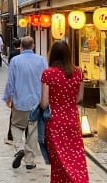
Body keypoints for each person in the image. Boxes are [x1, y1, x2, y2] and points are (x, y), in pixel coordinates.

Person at [40, 40, 89, 182]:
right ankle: (80, 179)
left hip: (55, 122)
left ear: (52, 55)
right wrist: (66, 103)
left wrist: (57, 104)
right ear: (68, 54)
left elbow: (44, 103)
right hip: (72, 119)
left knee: (59, 161)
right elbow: (79, 97)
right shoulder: (78, 72)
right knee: (76, 156)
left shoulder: (48, 74)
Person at [2, 36, 47, 170]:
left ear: (21, 46)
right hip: (36, 101)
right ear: (33, 46)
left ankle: (19, 147)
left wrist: (8, 97)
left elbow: (10, 81)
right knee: (32, 130)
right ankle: (29, 161)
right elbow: (46, 81)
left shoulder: (15, 61)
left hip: (19, 100)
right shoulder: (41, 60)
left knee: (16, 126)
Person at [4, 38, 22, 144]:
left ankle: (12, 137)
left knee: (14, 115)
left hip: (16, 88)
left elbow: (10, 72)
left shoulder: (12, 55)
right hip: (30, 93)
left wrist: (8, 96)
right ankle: (29, 141)